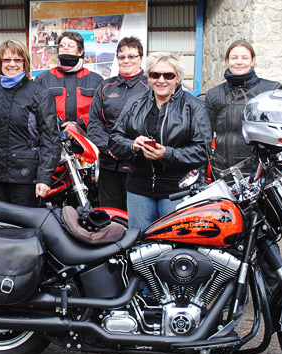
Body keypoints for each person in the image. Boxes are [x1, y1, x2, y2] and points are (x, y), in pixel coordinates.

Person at [109, 52, 210, 229]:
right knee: (141, 246)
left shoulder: (194, 106)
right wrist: (132, 145)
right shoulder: (135, 103)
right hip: (138, 188)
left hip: (176, 189)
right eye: (155, 75)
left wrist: (167, 153)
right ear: (149, 77)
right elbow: (115, 140)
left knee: (173, 249)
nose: (161, 80)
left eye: (168, 75)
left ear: (177, 78)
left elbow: (203, 151)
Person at [0, 39, 60, 212]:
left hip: (26, 178)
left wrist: (44, 178)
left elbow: (50, 139)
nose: (11, 64)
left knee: (25, 232)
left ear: (25, 63)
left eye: (17, 60)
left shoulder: (40, 94)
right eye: (6, 60)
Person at [88, 37, 150, 211]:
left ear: (141, 58)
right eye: (122, 57)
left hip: (139, 166)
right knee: (110, 217)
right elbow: (94, 124)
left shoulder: (150, 87)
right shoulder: (105, 86)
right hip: (110, 165)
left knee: (138, 217)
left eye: (131, 56)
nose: (126, 61)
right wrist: (111, 148)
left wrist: (129, 148)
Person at [205, 40, 282, 175]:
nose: (239, 62)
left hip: (259, 172)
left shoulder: (271, 90)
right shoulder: (214, 94)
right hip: (223, 172)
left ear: (253, 61)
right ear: (227, 61)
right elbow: (204, 135)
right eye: (234, 58)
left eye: (244, 58)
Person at [34, 31, 103, 133]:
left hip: (87, 137)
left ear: (80, 51)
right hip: (52, 137)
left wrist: (78, 124)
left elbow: (100, 110)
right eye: (62, 45)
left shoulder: (96, 80)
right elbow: (37, 109)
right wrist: (59, 123)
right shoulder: (42, 79)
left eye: (70, 45)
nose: (65, 48)